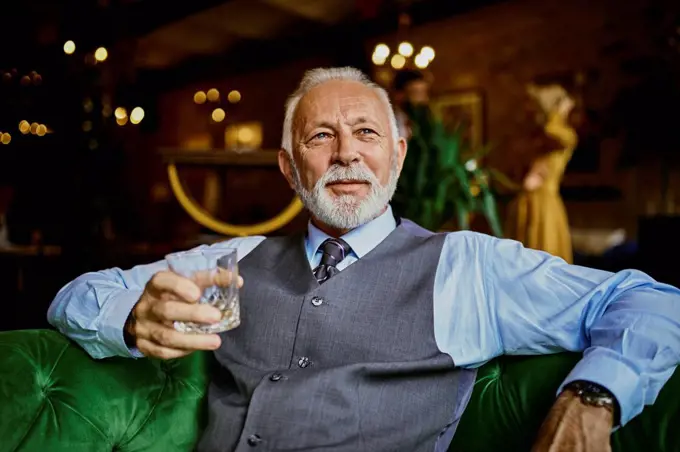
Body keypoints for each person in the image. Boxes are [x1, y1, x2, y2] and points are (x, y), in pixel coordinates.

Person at [48, 67, 680, 452]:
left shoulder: (467, 269)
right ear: (290, 167)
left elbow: (652, 301)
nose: (346, 153)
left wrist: (594, 396)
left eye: (367, 133)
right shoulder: (233, 262)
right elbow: (75, 296)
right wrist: (133, 316)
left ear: (397, 158)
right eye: (321, 136)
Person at [505, 83, 578, 263]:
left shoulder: (563, 135)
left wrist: (555, 111)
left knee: (545, 257)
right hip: (526, 202)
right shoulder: (535, 137)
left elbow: (555, 133)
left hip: (545, 207)